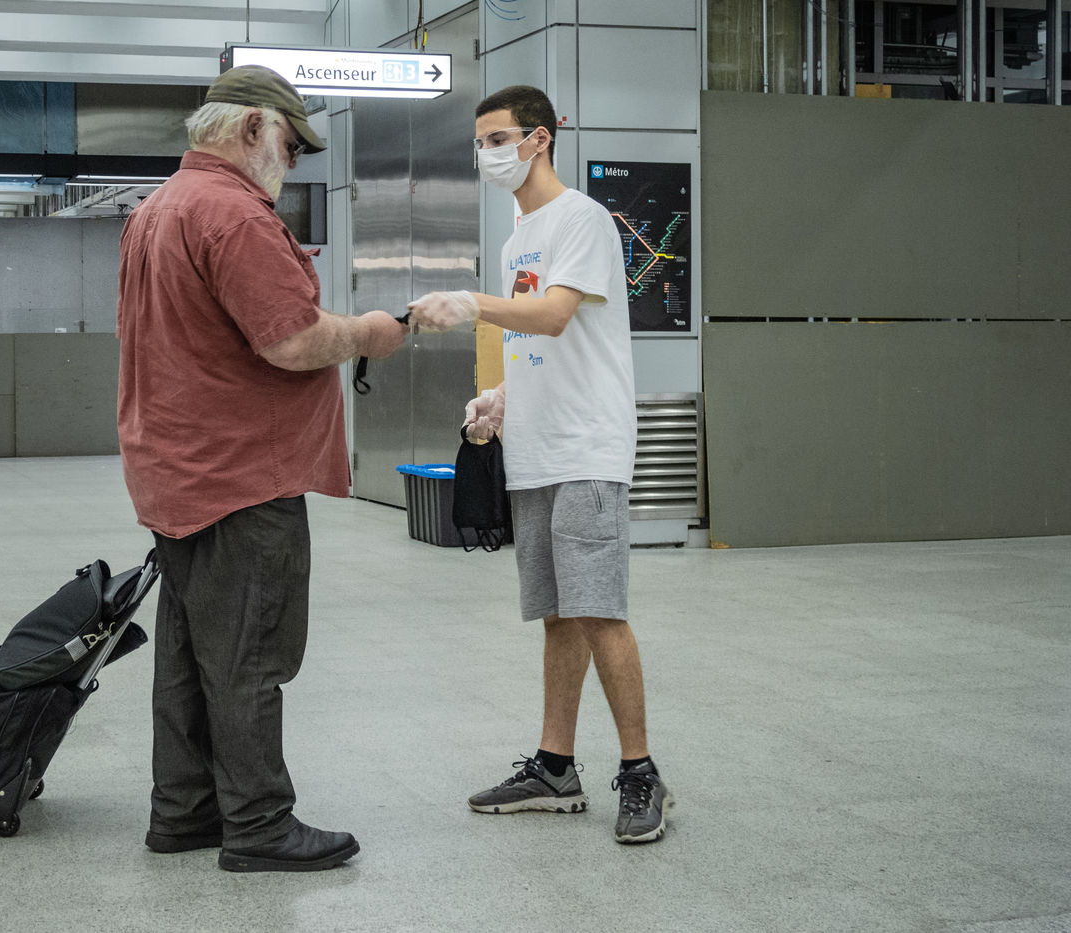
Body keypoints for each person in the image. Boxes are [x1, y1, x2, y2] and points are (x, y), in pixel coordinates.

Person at [115, 65, 408, 872]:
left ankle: (184, 810)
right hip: (241, 473)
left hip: (176, 466)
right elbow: (291, 339)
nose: (292, 160)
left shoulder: (157, 210)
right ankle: (258, 822)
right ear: (251, 127)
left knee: (190, 650)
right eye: (289, 141)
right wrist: (369, 332)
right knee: (249, 651)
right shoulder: (233, 213)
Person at [407, 85, 672, 844]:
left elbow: (554, 313)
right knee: (558, 616)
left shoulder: (581, 218)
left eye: (499, 139)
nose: (488, 153)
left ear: (539, 138)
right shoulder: (516, 237)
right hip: (535, 449)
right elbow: (538, 342)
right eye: (480, 142)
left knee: (599, 610)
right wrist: (501, 396)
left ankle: (641, 771)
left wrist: (472, 302)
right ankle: (556, 767)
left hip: (587, 446)